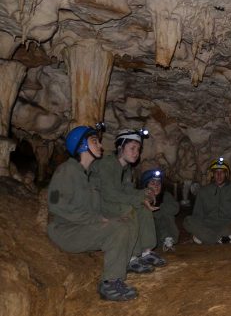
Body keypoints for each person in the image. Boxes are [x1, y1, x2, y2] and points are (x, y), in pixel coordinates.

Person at [47, 125, 139, 301]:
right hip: (65, 230)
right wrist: (97, 219)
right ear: (81, 145)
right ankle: (110, 283)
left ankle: (119, 270)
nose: (101, 146)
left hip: (84, 227)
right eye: (94, 141)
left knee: (125, 222)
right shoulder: (66, 170)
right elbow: (56, 204)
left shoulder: (91, 176)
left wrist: (112, 217)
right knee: (117, 229)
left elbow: (98, 207)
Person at [89, 128, 164, 273]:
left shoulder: (127, 169)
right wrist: (139, 198)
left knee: (143, 207)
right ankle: (130, 257)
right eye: (132, 148)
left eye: (138, 149)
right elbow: (110, 194)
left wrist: (145, 193)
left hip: (111, 201)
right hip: (98, 204)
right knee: (128, 209)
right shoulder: (108, 163)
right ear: (120, 147)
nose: (136, 153)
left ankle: (146, 252)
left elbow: (128, 191)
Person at [184, 157, 231, 244]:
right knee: (188, 221)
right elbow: (197, 214)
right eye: (216, 172)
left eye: (222, 172)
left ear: (226, 174)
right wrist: (196, 229)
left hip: (228, 225)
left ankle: (205, 238)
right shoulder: (203, 191)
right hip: (207, 226)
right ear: (212, 174)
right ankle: (222, 239)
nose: (219, 175)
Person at [141, 168, 179, 252]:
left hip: (162, 234)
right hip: (147, 234)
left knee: (166, 212)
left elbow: (175, 209)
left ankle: (168, 240)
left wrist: (160, 206)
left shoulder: (165, 196)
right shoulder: (140, 196)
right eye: (152, 183)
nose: (156, 186)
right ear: (146, 185)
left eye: (158, 183)